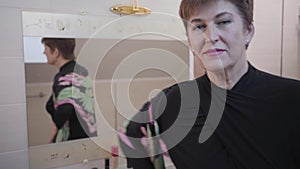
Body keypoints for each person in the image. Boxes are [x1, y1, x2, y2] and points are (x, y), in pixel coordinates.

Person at [118, 0, 300, 169]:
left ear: (248, 32)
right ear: (190, 40)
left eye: (223, 22)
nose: (210, 36)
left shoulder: (292, 100)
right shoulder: (172, 103)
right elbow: (131, 133)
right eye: (199, 26)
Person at [42, 38, 97, 143]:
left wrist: (55, 129)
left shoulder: (64, 78)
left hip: (71, 139)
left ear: (56, 52)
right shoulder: (82, 72)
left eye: (46, 49)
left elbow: (65, 108)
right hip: (88, 135)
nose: (44, 52)